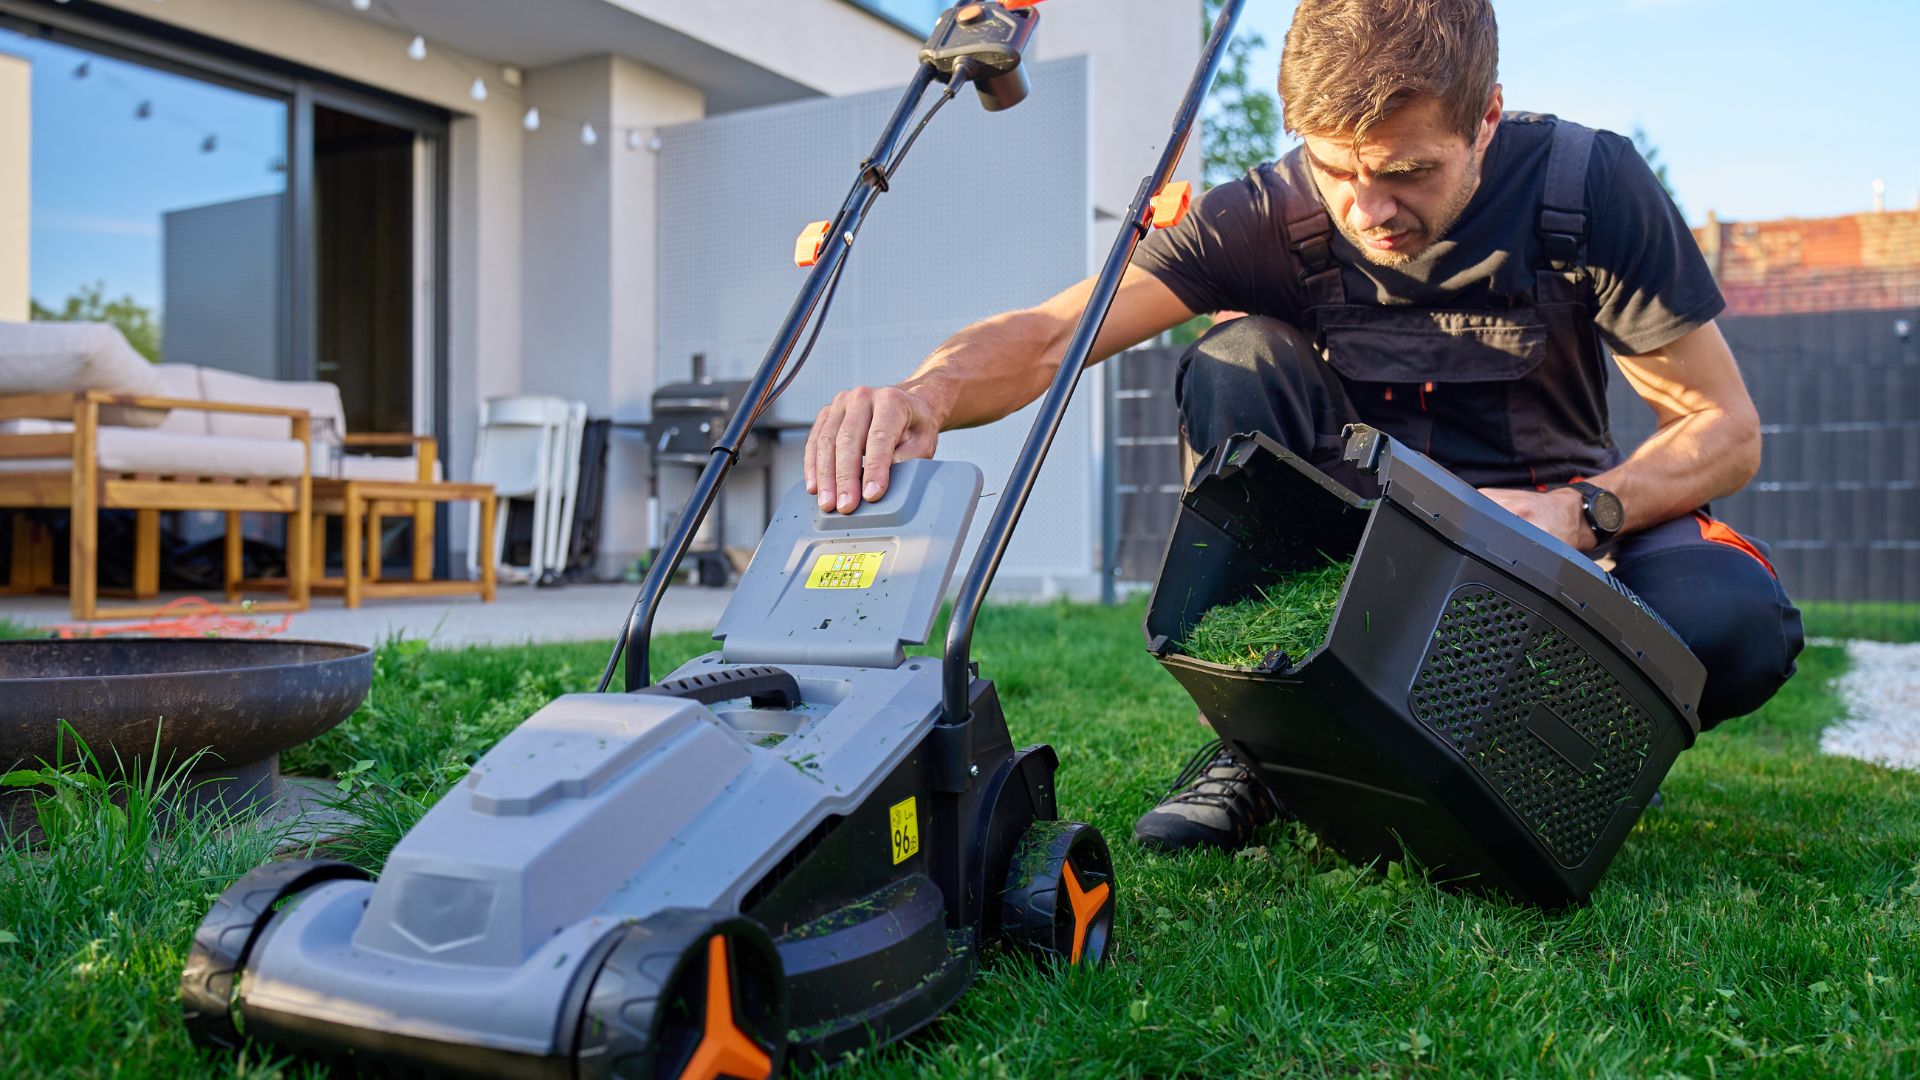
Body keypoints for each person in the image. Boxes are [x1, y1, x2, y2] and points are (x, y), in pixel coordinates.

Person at [801, 0, 1804, 854]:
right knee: (1236, 358)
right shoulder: (1265, 216)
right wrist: (923, 393)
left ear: (1486, 119)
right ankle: (1268, 748)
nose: (1370, 208)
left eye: (1409, 172)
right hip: (1366, 552)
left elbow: (1723, 426)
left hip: (1553, 542)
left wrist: (1583, 512)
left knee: (1736, 616)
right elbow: (1051, 335)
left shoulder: (1587, 190)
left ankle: (1553, 746)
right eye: (1337, 169)